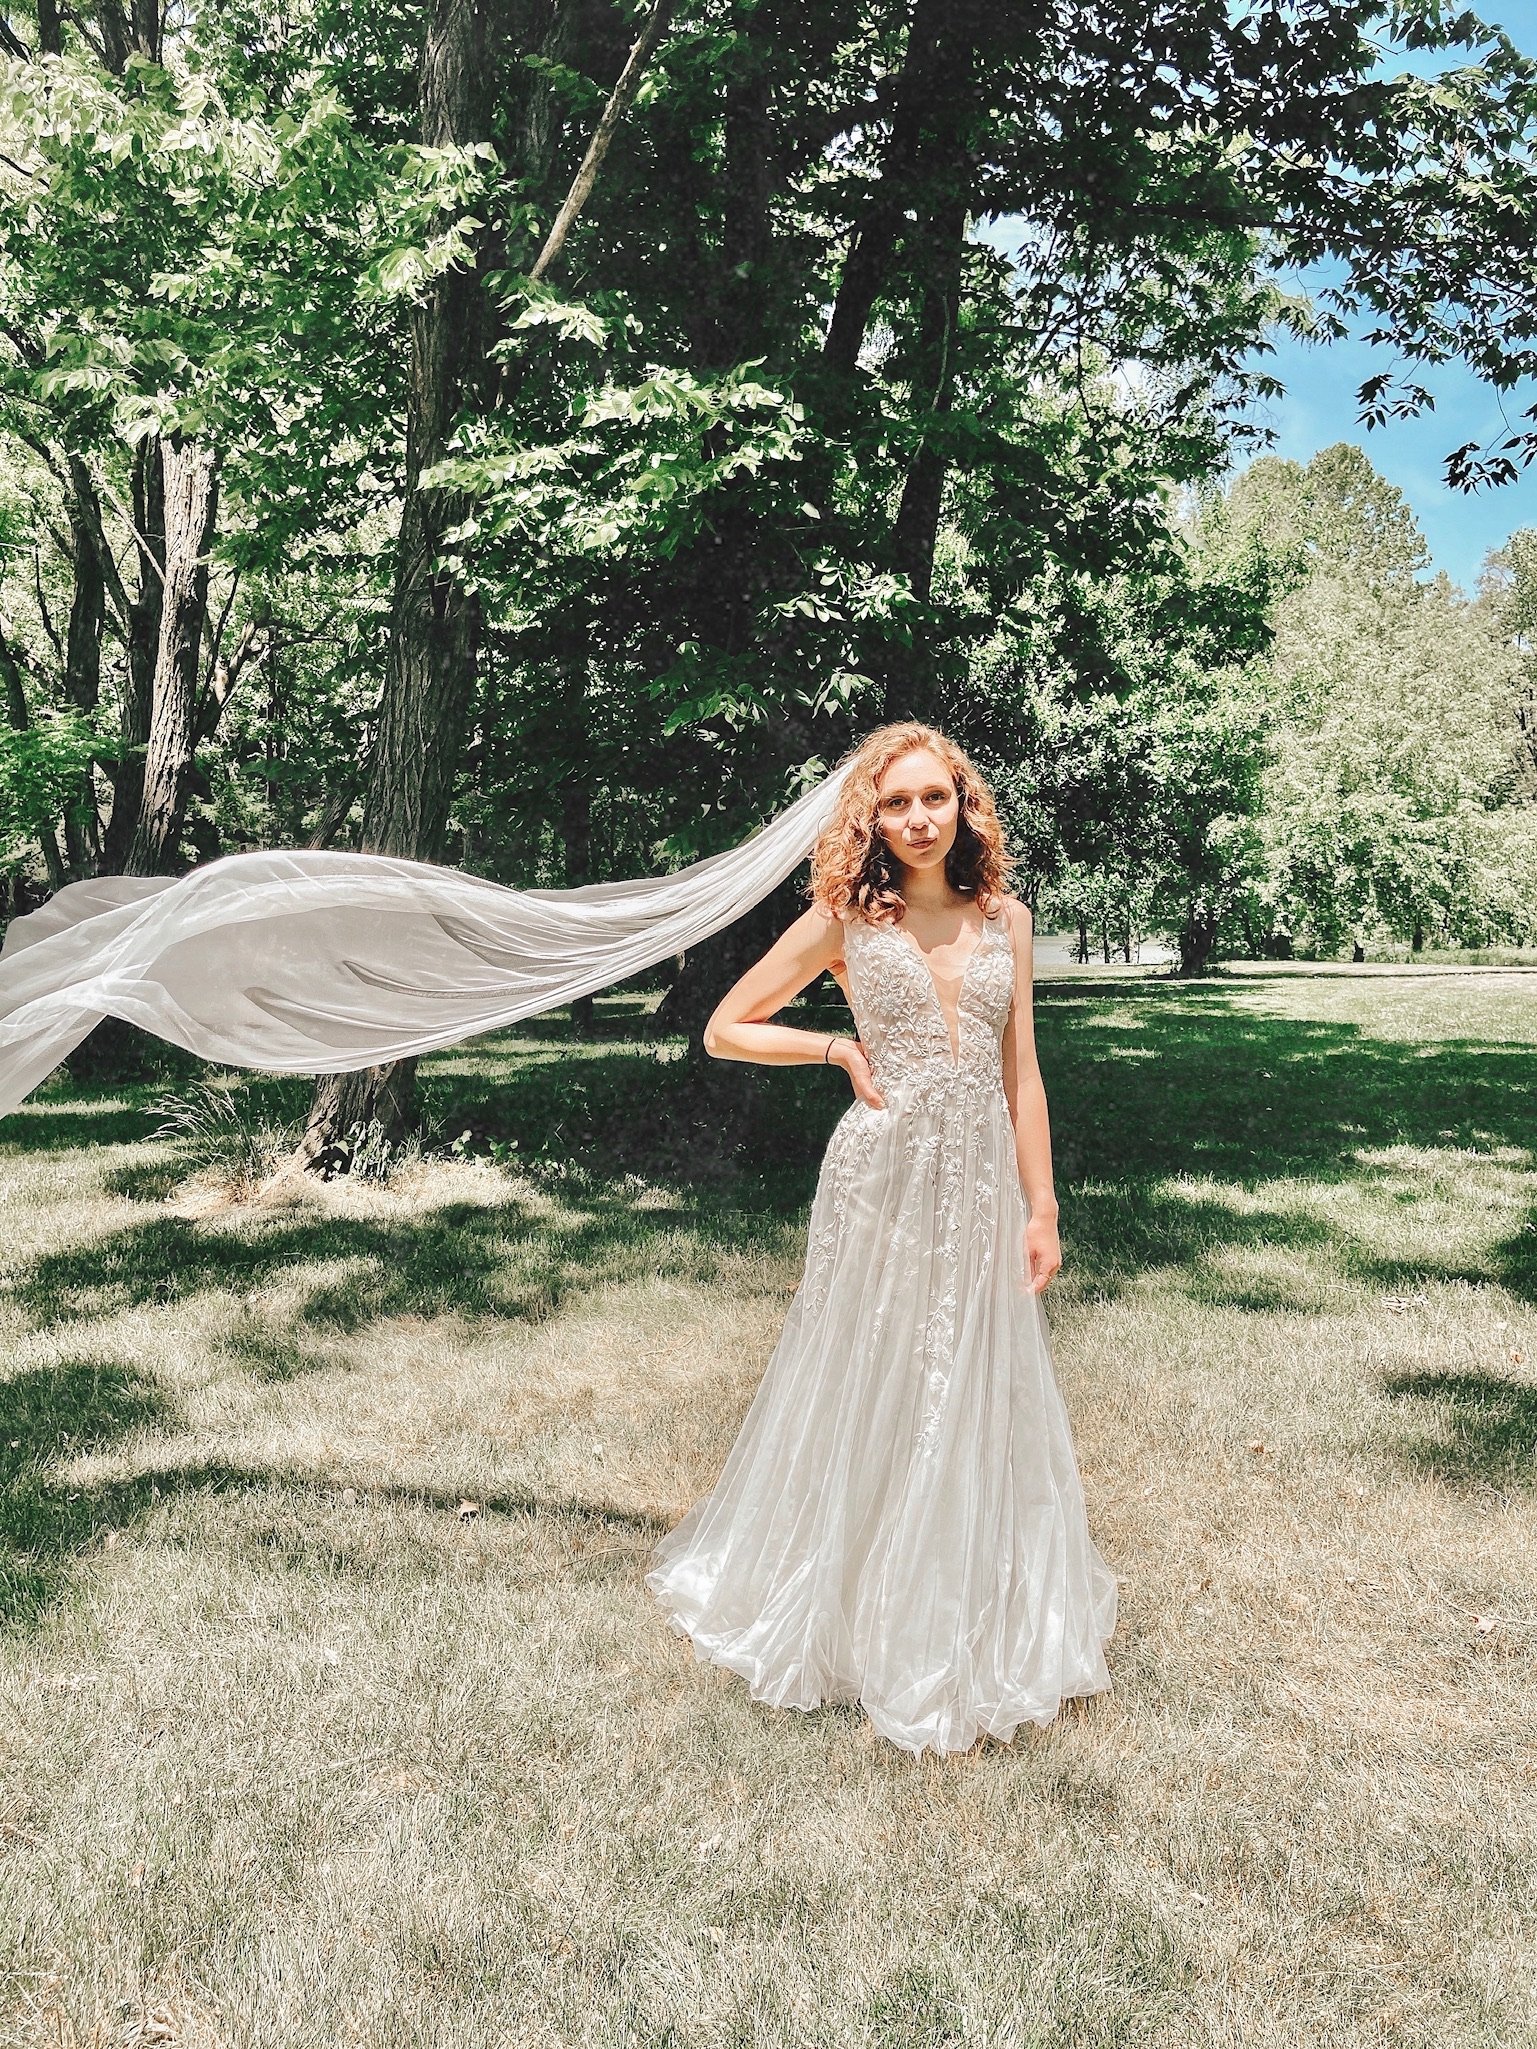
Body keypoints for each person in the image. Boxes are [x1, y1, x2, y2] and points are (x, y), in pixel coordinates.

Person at [645, 722, 1118, 1754]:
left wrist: (1041, 1209)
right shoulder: (847, 917)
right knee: (877, 1366)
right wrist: (831, 1049)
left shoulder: (1007, 921)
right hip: (882, 1173)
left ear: (963, 807)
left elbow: (1021, 1073)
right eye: (895, 803)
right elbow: (729, 1024)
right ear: (873, 815)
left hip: (983, 1173)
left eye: (932, 800)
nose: (914, 820)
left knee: (970, 1371)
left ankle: (958, 1598)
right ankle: (846, 1597)